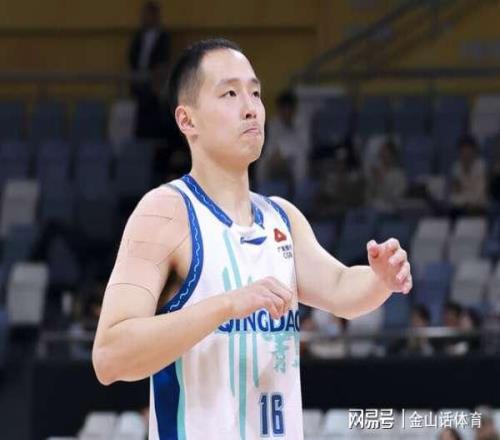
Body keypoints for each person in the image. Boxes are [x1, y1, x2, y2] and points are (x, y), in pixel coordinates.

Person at [92, 38, 413, 440]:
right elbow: (110, 357)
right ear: (187, 120)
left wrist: (381, 280)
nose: (251, 108)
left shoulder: (282, 218)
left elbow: (341, 289)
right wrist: (228, 305)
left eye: (256, 93)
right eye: (230, 93)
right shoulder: (166, 212)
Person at [128, 1, 171, 139]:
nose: (144, 18)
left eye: (148, 14)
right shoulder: (138, 36)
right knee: (139, 115)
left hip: (154, 83)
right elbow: (132, 56)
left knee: (153, 116)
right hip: (139, 80)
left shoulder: (163, 37)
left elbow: (163, 59)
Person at [450, 135, 487, 216]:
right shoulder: (456, 168)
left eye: (468, 151)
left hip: (478, 208)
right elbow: (455, 195)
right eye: (463, 151)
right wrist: (465, 201)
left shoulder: (481, 167)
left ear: (474, 152)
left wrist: (465, 198)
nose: (466, 154)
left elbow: (479, 195)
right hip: (461, 208)